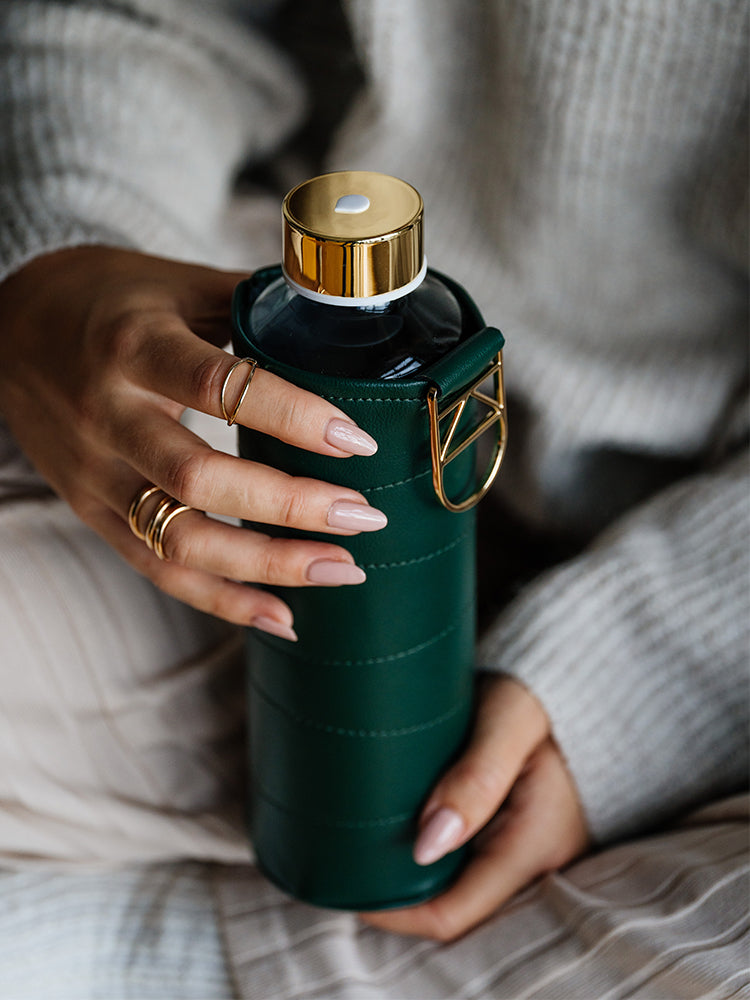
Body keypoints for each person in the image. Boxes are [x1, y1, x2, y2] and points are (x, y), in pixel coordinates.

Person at [0, 1, 747, 997]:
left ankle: (167, 940)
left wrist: (646, 678)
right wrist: (60, 264)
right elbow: (136, 20)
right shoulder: (290, 319)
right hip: (229, 465)